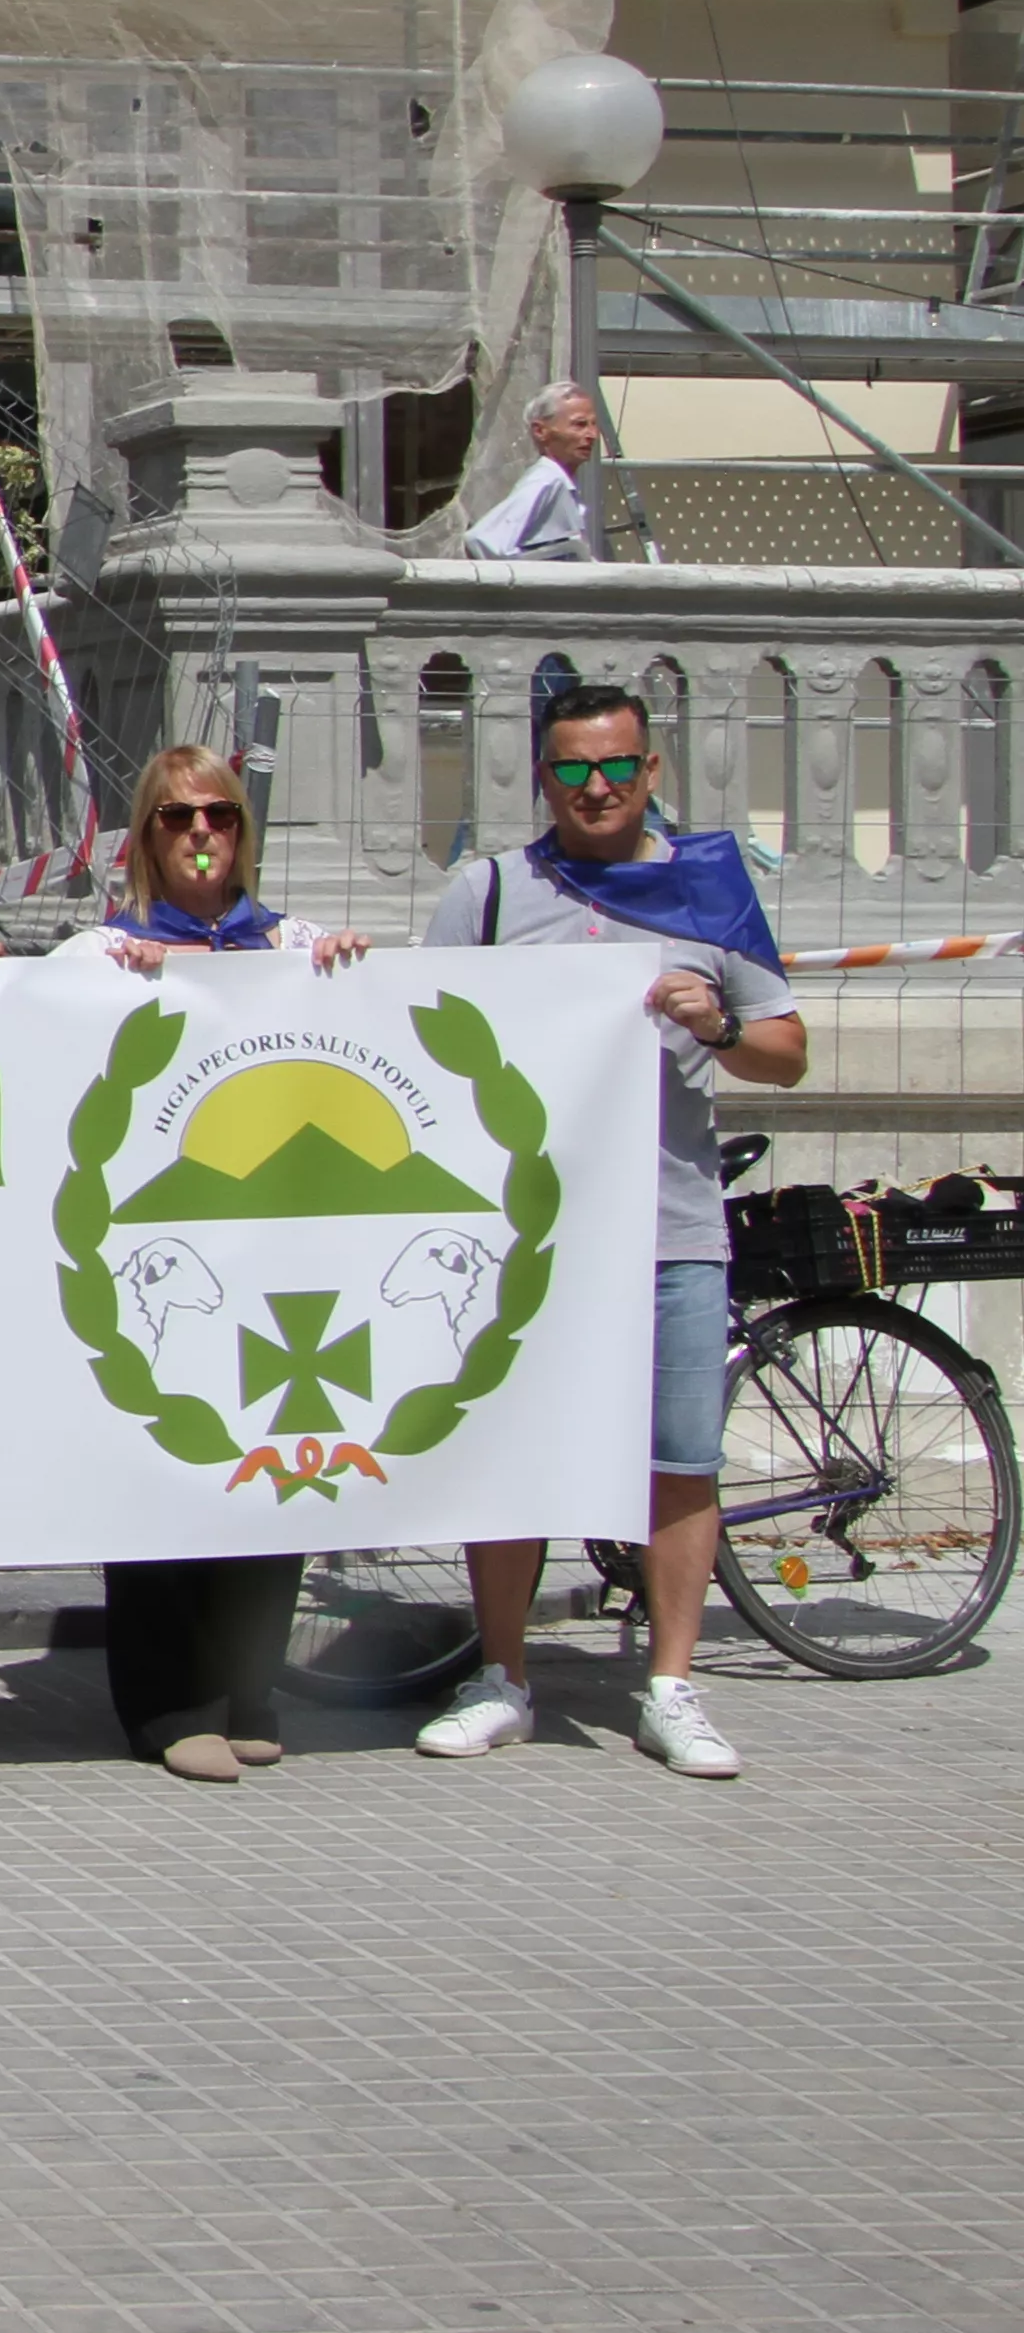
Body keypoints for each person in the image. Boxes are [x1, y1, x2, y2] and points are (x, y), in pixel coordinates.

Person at [414, 678, 805, 1780]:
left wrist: (719, 1022)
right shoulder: (488, 891)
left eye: (617, 766)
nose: (597, 787)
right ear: (541, 778)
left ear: (653, 772)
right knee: (511, 1449)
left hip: (668, 1222)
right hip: (527, 1228)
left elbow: (787, 1049)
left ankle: (672, 1689)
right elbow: (416, 1030)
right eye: (573, 768)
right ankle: (503, 1676)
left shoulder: (710, 891)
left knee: (680, 1460)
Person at [49, 749, 367, 1782]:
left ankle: (248, 1685)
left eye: (221, 815)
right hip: (160, 1259)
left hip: (284, 1256)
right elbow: (16, 1031)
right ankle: (165, 1701)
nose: (201, 834)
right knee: (164, 1467)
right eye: (177, 816)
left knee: (281, 1466)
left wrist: (366, 978)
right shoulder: (105, 949)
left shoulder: (300, 945)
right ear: (145, 836)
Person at [461, 382, 605, 562]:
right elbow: (482, 542)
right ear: (540, 431)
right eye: (580, 424)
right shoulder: (547, 480)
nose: (592, 434)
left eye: (593, 424)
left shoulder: (559, 481)